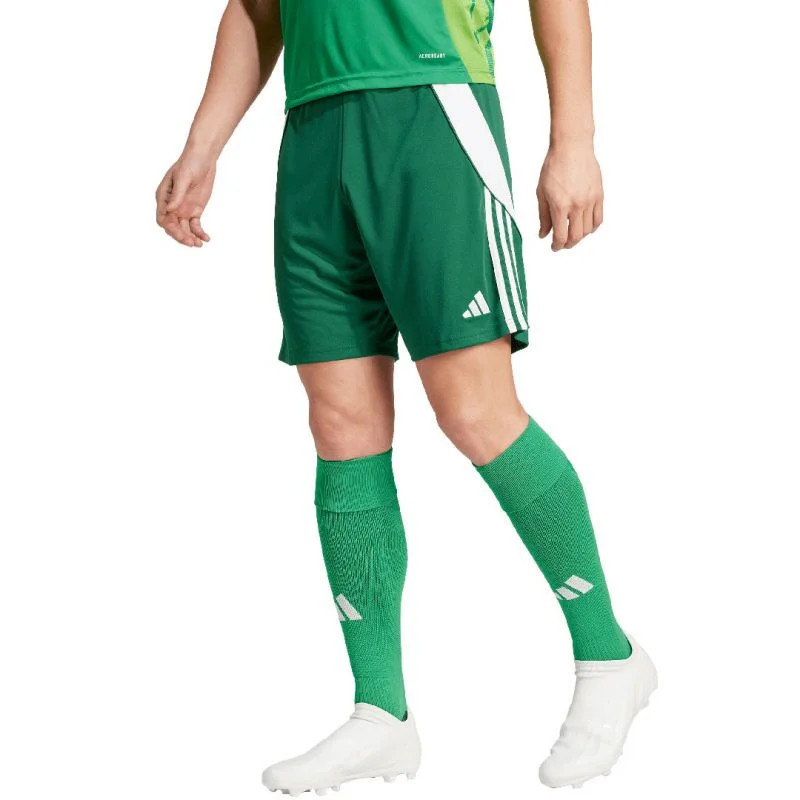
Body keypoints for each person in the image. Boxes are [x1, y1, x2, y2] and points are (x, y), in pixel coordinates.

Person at [155, 0, 657, 792]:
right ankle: (380, 714)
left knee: (476, 412)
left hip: (432, 108)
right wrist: (202, 146)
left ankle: (609, 659)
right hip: (314, 127)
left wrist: (575, 140)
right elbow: (256, 10)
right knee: (340, 422)